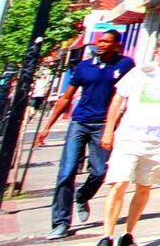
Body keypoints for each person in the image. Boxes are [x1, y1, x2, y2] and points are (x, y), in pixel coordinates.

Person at [96, 33, 160, 246]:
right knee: (119, 183)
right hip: (130, 134)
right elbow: (118, 99)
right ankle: (107, 236)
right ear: (156, 52)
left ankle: (128, 234)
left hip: (159, 138)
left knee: (144, 186)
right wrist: (109, 130)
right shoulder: (140, 72)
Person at [35, 28, 135, 239]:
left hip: (103, 124)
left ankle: (82, 196)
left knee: (100, 172)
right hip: (79, 123)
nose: (101, 44)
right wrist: (46, 127)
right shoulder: (84, 67)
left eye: (107, 42)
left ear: (117, 45)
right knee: (66, 171)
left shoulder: (125, 65)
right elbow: (66, 97)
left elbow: (131, 94)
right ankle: (60, 223)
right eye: (100, 41)